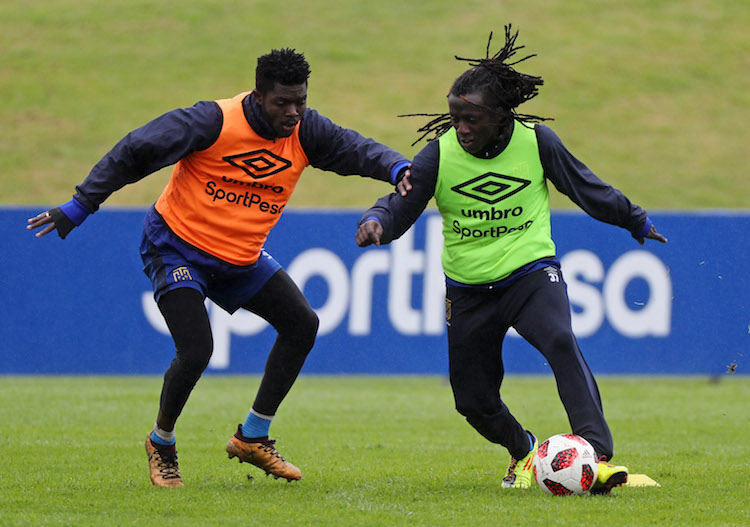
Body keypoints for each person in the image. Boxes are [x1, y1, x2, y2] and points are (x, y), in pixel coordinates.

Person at [28, 48, 411, 488]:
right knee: (197, 350)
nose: (292, 112)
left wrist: (396, 166)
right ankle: (162, 442)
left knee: (303, 323)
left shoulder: (307, 130)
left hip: (239, 258)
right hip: (176, 248)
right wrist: (80, 205)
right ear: (258, 94)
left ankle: (252, 436)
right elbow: (137, 150)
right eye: (281, 102)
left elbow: (354, 148)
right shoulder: (211, 121)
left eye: (300, 101)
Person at [355, 26, 667, 494]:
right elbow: (399, 205)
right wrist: (378, 220)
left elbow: (587, 188)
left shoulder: (536, 142)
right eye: (455, 116)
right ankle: (525, 453)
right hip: (467, 291)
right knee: (473, 400)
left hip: (530, 274)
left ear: (501, 116)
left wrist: (634, 219)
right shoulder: (438, 156)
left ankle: (595, 458)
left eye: (471, 119)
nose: (460, 127)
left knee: (560, 339)